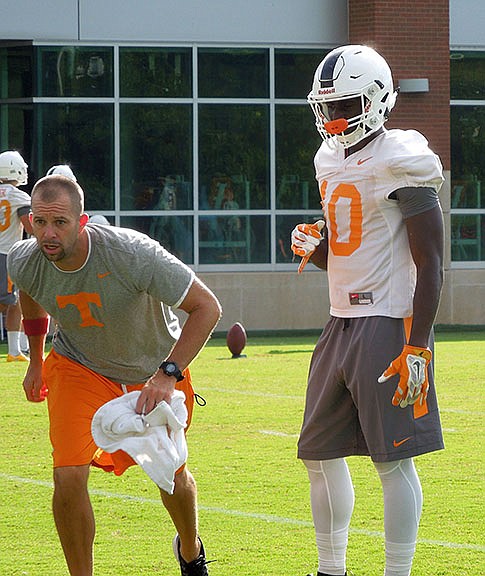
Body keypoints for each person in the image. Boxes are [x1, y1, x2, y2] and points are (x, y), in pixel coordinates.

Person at [7, 174, 222, 576]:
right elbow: (30, 294)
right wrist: (36, 361)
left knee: (170, 474)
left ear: (83, 221)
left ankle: (191, 551)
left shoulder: (132, 253)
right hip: (79, 366)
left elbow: (207, 307)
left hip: (152, 368)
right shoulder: (24, 258)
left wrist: (168, 373)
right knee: (68, 473)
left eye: (60, 223)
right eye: (40, 222)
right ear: (30, 220)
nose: (48, 234)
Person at [291, 45, 445, 576]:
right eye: (326, 108)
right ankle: (330, 568)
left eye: (346, 106)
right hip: (341, 319)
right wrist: (317, 249)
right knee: (318, 452)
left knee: (391, 458)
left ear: (377, 100)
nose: (334, 119)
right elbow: (344, 252)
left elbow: (431, 260)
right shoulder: (328, 159)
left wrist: (418, 343)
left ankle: (396, 572)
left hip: (388, 317)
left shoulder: (401, 154)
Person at [0, 150, 33, 361]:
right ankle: (13, 350)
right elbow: (28, 223)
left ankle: (14, 351)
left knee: (14, 301)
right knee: (10, 302)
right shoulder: (19, 196)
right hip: (6, 253)